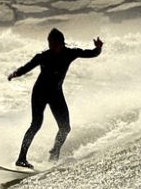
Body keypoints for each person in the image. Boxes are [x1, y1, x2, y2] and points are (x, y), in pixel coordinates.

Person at [7, 28, 103, 168]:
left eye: (54, 43)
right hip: (39, 93)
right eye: (49, 43)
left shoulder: (70, 53)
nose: (51, 46)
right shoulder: (43, 56)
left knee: (65, 128)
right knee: (36, 124)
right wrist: (16, 73)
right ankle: (21, 159)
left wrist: (98, 48)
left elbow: (91, 54)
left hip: (56, 94)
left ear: (62, 43)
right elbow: (28, 66)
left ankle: (55, 151)